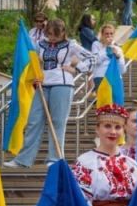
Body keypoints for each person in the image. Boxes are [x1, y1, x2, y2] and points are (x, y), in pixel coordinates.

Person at [5, 19, 93, 168]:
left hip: (63, 84)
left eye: (55, 35)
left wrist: (77, 68)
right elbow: (31, 59)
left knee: (58, 122)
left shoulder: (71, 44)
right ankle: (23, 160)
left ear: (63, 32)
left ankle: (55, 158)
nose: (52, 37)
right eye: (49, 34)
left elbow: (92, 58)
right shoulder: (40, 44)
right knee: (34, 121)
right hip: (42, 84)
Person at [72, 104, 137, 206]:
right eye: (107, 126)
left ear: (123, 130)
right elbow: (80, 199)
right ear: (97, 129)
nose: (113, 132)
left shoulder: (132, 164)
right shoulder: (85, 161)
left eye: (118, 127)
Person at [90, 23, 125, 92]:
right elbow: (96, 61)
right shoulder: (96, 44)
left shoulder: (118, 48)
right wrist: (106, 46)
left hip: (115, 77)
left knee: (115, 102)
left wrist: (118, 58)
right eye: (106, 33)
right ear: (102, 35)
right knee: (104, 102)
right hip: (101, 76)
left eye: (111, 33)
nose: (109, 36)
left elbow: (123, 69)